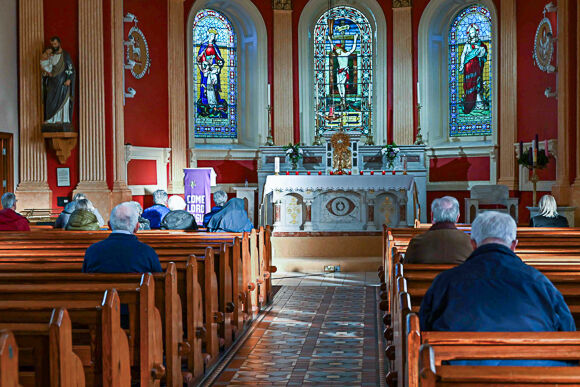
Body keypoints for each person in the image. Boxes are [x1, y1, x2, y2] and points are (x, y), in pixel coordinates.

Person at [419, 211, 575, 366]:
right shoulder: (540, 282)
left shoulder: (445, 282)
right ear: (514, 245)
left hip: (458, 376)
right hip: (536, 375)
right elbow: (568, 335)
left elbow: (424, 330)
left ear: (473, 244)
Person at [82, 202, 162, 273]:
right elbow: (158, 281)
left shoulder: (92, 251)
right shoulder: (147, 252)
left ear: (109, 225)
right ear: (137, 227)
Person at [404, 196, 472, 264]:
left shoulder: (416, 242)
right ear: (458, 217)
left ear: (432, 216)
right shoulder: (469, 242)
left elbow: (405, 269)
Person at [43, 36, 75, 124]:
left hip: (62, 81)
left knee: (62, 98)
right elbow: (48, 67)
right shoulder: (51, 55)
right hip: (52, 81)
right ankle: (50, 119)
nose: (54, 45)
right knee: (50, 99)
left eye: (55, 43)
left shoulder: (65, 55)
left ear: (59, 43)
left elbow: (70, 68)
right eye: (52, 44)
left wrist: (69, 79)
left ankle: (62, 119)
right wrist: (45, 73)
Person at [458, 24, 488, 114]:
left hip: (476, 66)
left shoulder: (479, 43)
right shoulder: (467, 44)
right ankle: (470, 104)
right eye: (470, 32)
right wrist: (461, 65)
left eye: (473, 32)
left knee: (477, 83)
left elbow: (483, 52)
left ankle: (479, 104)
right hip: (468, 67)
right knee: (469, 85)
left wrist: (479, 49)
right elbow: (463, 54)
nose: (472, 33)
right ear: (469, 34)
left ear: (476, 33)